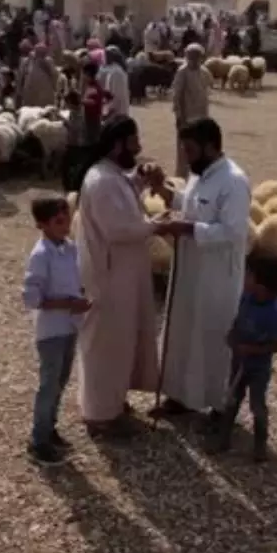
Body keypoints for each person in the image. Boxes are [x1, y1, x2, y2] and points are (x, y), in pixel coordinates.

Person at [145, 118, 253, 420]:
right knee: (182, 332)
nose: (187, 157)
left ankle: (219, 406)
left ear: (210, 146)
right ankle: (180, 395)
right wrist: (165, 193)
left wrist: (188, 228)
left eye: (191, 150)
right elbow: (190, 203)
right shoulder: (199, 174)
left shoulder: (233, 181)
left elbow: (232, 232)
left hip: (216, 276)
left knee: (213, 336)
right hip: (189, 270)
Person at [74, 116, 169, 438]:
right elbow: (117, 228)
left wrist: (141, 180)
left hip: (123, 274)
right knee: (106, 344)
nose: (139, 148)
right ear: (117, 145)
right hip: (110, 275)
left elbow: (125, 196)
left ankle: (111, 401)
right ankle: (99, 415)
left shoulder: (111, 175)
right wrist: (159, 225)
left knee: (121, 340)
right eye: (133, 142)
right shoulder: (100, 180)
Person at [22, 196, 89, 466]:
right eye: (58, 221)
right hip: (51, 330)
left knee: (60, 381)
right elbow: (32, 298)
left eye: (67, 220)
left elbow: (74, 281)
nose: (65, 226)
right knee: (48, 384)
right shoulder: (40, 256)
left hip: (70, 326)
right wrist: (68, 303)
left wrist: (81, 299)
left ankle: (50, 428)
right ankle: (38, 441)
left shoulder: (70, 248)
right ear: (42, 225)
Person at [207, 248, 277, 461]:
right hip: (238, 363)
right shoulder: (247, 298)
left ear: (261, 285)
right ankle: (223, 439)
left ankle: (260, 445)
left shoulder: (274, 315)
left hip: (258, 369)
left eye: (249, 275)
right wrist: (233, 335)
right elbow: (239, 318)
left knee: (257, 405)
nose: (245, 278)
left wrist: (252, 350)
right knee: (231, 400)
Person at [170, 44, 212, 177]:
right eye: (191, 56)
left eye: (197, 56)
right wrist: (178, 116)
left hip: (201, 116)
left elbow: (207, 90)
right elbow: (176, 96)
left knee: (201, 148)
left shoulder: (204, 72)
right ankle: (182, 176)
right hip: (187, 118)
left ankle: (199, 174)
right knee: (184, 150)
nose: (194, 59)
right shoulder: (182, 72)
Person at [16, 43, 57, 108]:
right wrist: (19, 90)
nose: (41, 54)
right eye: (39, 52)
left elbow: (54, 75)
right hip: (30, 91)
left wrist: (54, 87)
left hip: (45, 91)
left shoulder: (49, 61)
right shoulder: (28, 61)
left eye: (43, 52)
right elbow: (22, 75)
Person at [99, 46, 130, 118]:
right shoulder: (115, 70)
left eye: (107, 55)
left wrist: (107, 111)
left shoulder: (116, 72)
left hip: (117, 112)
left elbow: (116, 96)